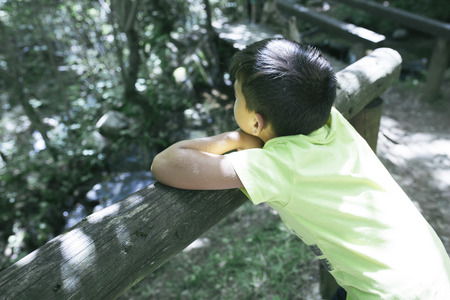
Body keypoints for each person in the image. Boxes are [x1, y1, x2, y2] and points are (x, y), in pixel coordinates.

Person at [151, 38, 450, 299]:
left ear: (256, 121)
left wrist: (235, 137)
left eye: (237, 98)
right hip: (431, 267)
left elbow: (165, 164)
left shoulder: (279, 165)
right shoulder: (329, 119)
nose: (234, 103)